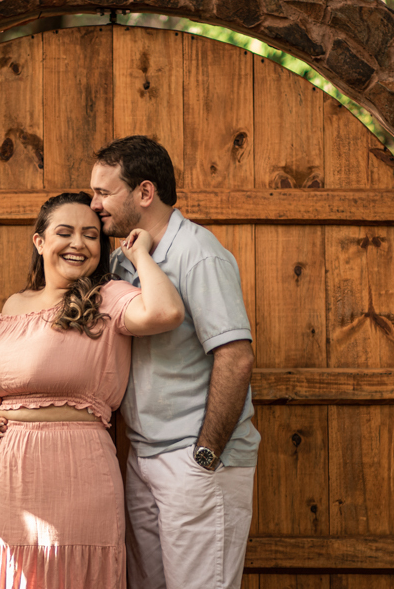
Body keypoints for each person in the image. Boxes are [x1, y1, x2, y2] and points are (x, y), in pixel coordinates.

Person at [0, 191, 184, 589]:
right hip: (4, 477)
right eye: (65, 232)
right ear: (40, 241)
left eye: (91, 235)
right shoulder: (15, 304)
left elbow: (166, 312)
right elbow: (2, 383)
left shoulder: (108, 295)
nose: (79, 244)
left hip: (78, 473)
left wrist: (141, 256)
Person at [90, 135, 261, 589]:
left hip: (195, 461)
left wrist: (204, 455)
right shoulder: (125, 259)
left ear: (144, 193)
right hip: (144, 459)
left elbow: (236, 357)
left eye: (104, 193)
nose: (94, 204)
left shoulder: (197, 253)